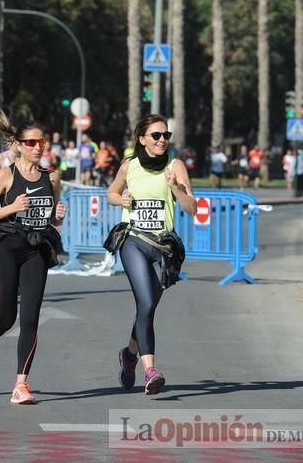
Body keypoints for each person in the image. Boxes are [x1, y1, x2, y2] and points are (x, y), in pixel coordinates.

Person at [0, 112, 67, 405]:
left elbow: (50, 216)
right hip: (5, 247)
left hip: (35, 249)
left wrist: (56, 215)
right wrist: (11, 207)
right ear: (20, 144)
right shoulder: (6, 174)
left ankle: (21, 384)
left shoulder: (52, 178)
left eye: (42, 142)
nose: (38, 147)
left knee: (30, 318)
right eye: (31, 142)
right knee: (8, 314)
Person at [107, 114, 196, 395]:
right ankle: (151, 370)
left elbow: (191, 207)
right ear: (142, 138)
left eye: (165, 135)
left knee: (148, 307)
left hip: (163, 248)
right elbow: (112, 192)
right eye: (156, 135)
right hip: (133, 241)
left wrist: (175, 188)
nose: (162, 140)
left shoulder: (175, 166)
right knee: (145, 301)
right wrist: (120, 199)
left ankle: (129, 355)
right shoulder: (129, 166)